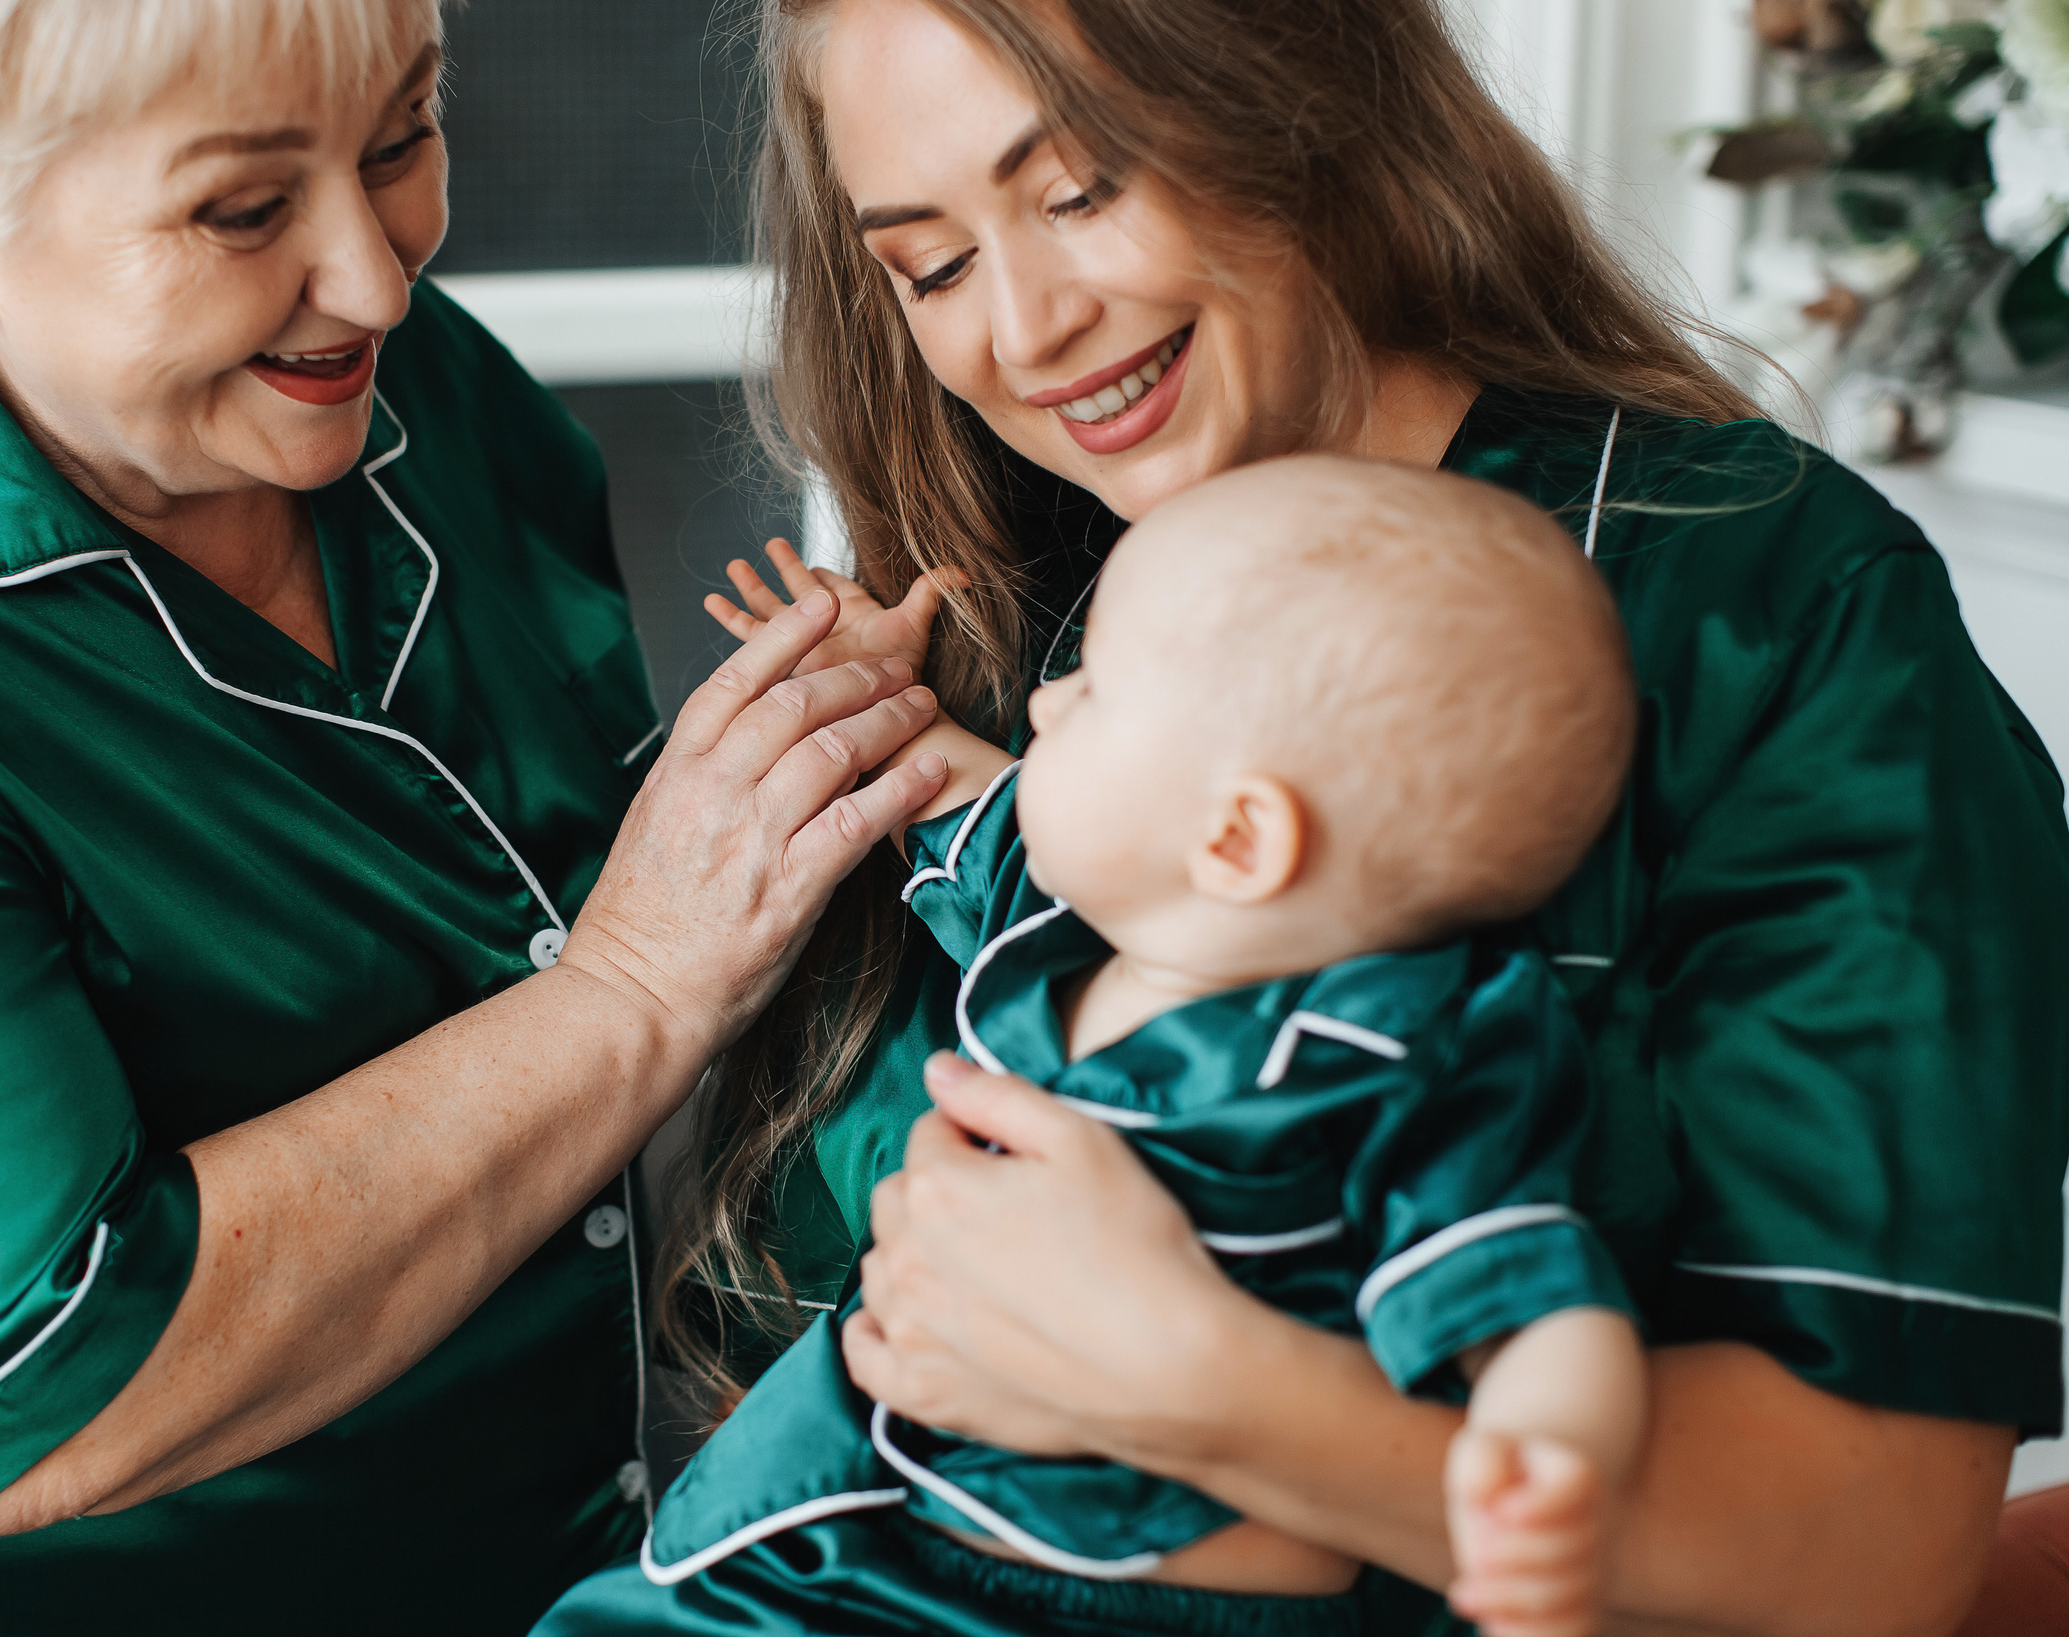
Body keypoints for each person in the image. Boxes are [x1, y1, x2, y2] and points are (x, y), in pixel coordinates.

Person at [636, 0, 2069, 1634]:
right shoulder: (991, 612)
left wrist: (1213, 1393)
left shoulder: (1776, 619)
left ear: (1293, 94)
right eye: (934, 263)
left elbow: (1872, 1549)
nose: (1026, 328)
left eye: (1084, 187)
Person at [0, 0, 950, 1632]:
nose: (376, 276)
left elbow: (564, 884)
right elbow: (33, 1393)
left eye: (402, 136)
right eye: (241, 212)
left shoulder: (402, 392)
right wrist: (639, 984)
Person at [545, 459, 1652, 1637]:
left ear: (1234, 840)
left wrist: (1544, 1473)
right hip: (877, 1538)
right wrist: (859, 693)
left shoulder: (1398, 1042)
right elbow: (942, 785)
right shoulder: (1065, 923)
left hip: (1134, 1607)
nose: (1041, 703)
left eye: (1098, 690)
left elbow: (1526, 1290)